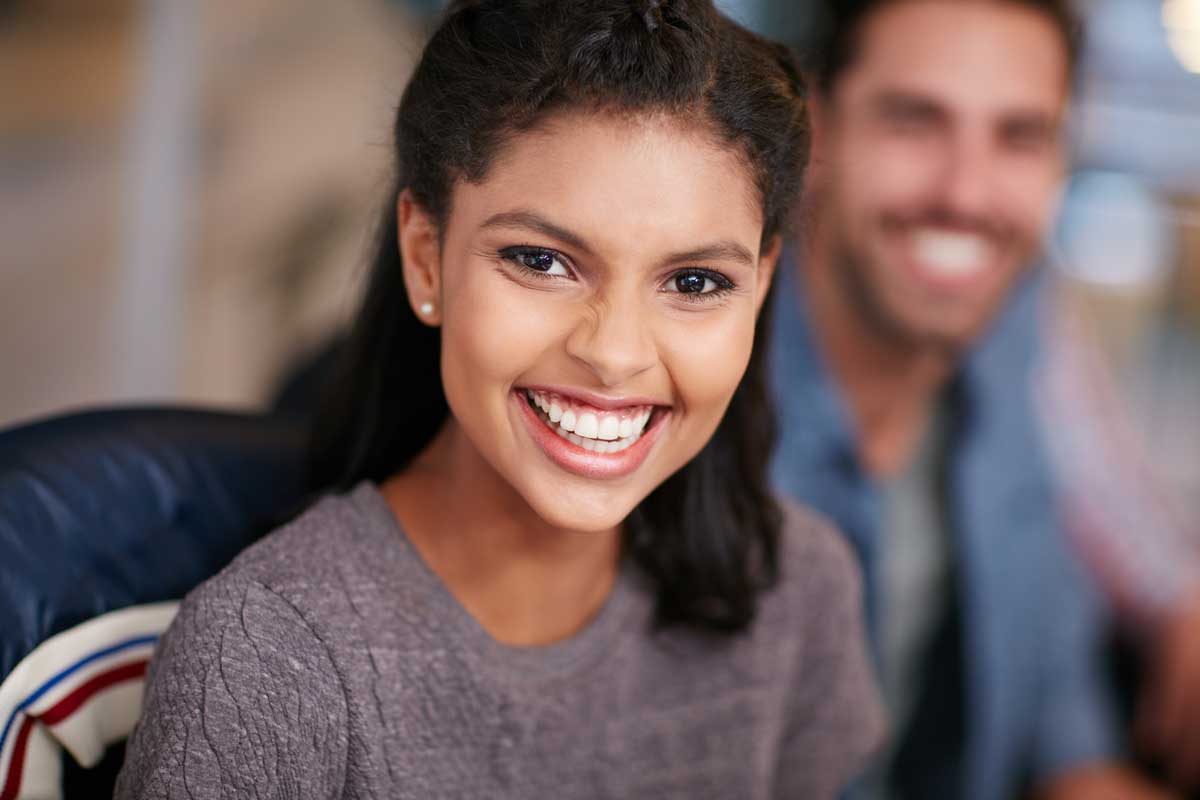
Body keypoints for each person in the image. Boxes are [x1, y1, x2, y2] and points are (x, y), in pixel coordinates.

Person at [115, 1, 884, 797]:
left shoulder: (797, 587)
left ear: (758, 290)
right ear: (425, 258)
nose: (615, 354)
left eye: (695, 282)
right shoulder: (269, 660)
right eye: (542, 260)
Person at [769, 0, 1174, 798]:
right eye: (915, 121)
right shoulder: (684, 388)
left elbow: (1060, 720)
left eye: (1020, 137)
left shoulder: (1015, 333)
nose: (967, 194)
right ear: (819, 131)